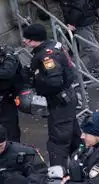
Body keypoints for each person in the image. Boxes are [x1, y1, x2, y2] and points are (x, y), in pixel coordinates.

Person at [22, 23, 78, 168]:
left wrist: (35, 80)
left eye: (26, 38)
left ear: (33, 40)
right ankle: (81, 163)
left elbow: (54, 82)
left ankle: (56, 175)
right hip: (66, 99)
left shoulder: (47, 56)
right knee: (73, 135)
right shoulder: (52, 46)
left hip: (60, 102)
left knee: (58, 141)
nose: (24, 41)